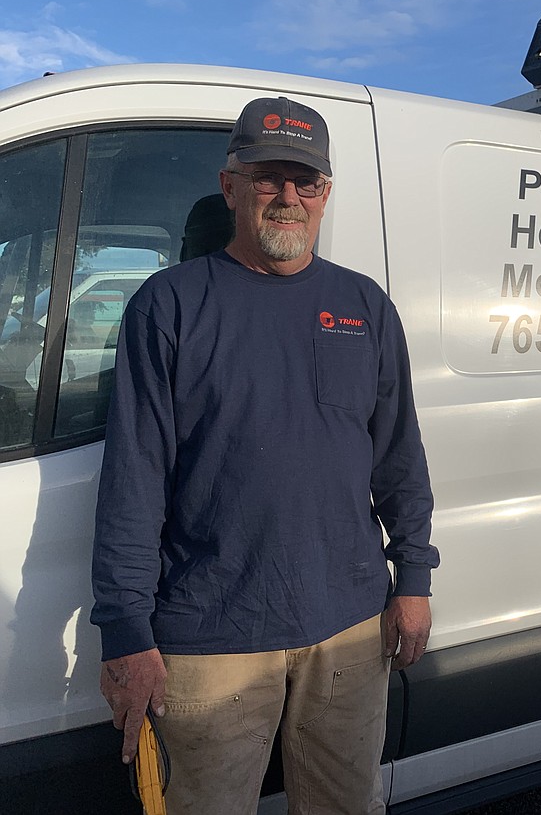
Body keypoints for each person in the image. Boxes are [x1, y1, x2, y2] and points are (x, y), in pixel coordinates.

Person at [91, 96, 439, 815]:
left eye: (304, 181)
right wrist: (125, 629)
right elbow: (134, 483)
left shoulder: (364, 307)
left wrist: (414, 578)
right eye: (268, 177)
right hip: (210, 638)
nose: (288, 196)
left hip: (348, 626)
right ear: (231, 186)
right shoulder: (169, 307)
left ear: (325, 194)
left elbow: (399, 458)